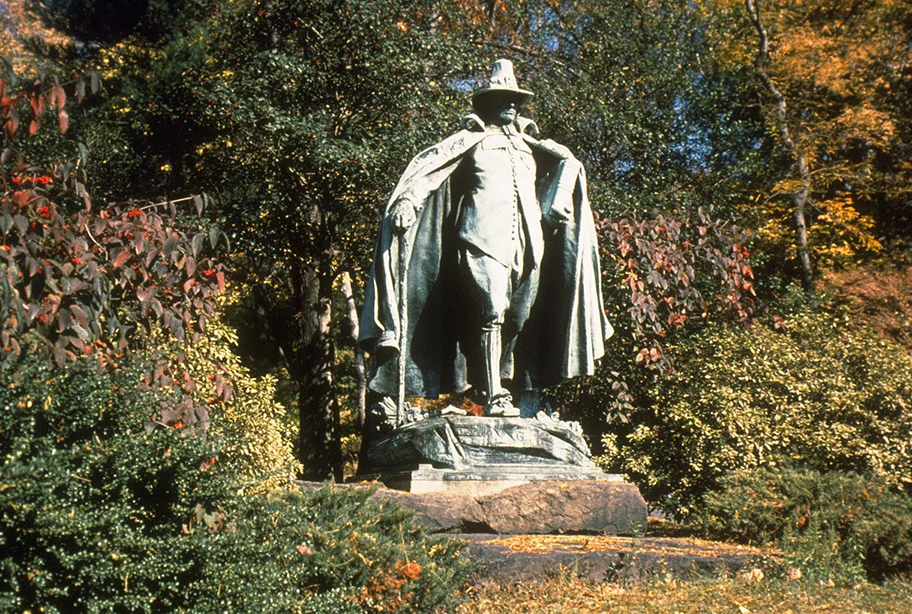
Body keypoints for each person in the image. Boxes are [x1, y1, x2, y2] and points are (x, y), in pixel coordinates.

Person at [359, 59, 612, 420]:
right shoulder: (470, 143)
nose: (511, 104)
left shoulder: (531, 147)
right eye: (503, 98)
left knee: (518, 318)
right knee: (492, 309)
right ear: (487, 103)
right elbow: (431, 170)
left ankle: (491, 386)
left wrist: (564, 183)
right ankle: (495, 396)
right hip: (480, 240)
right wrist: (409, 200)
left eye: (515, 99)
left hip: (528, 246)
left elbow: (569, 166)